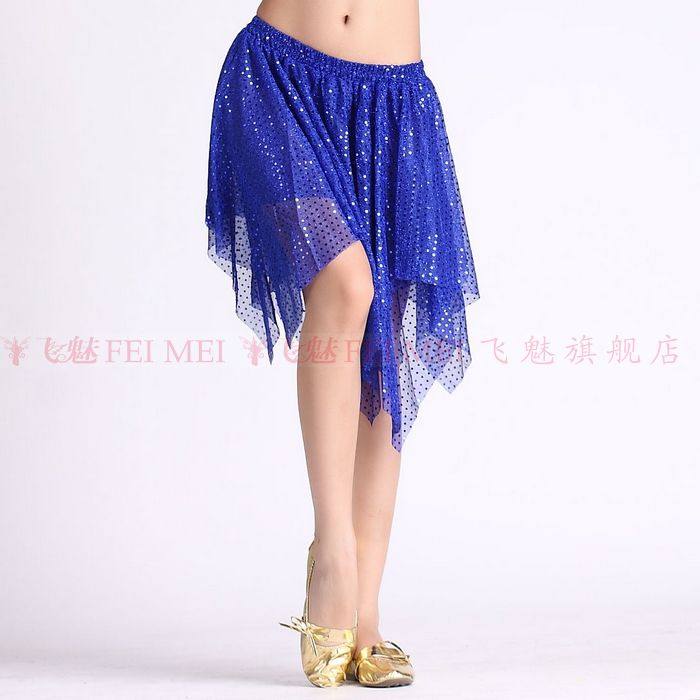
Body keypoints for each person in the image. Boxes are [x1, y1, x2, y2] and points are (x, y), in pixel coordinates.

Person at [205, 0, 479, 687]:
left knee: (385, 338)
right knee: (346, 285)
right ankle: (333, 559)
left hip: (394, 104)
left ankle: (366, 613)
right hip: (279, 76)